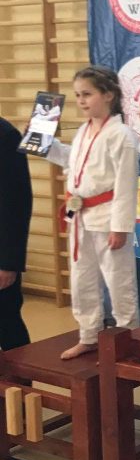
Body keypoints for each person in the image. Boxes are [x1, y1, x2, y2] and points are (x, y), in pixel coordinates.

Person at [46, 67, 140, 360]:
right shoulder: (83, 131)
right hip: (80, 216)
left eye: (87, 94)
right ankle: (88, 335)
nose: (81, 101)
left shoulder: (121, 135)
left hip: (108, 216)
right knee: (81, 279)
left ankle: (127, 340)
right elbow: (72, 163)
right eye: (77, 95)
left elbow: (126, 184)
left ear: (108, 95)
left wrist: (120, 226)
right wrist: (44, 144)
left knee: (119, 280)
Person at [0, 117, 33, 350]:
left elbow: (17, 203)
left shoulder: (5, 135)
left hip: (2, 251)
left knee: (7, 321)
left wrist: (9, 263)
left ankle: (20, 375)